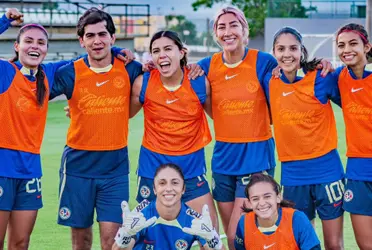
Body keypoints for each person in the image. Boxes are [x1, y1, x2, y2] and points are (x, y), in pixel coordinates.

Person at [50, 8, 142, 250]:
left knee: (112, 241)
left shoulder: (131, 68)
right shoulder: (68, 73)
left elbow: (163, 71)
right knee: (81, 241)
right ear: (81, 41)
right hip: (78, 166)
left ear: (113, 38)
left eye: (102, 34)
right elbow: (32, 92)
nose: (97, 41)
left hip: (115, 167)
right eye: (90, 36)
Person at [197, 6, 277, 249]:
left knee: (237, 234)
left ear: (245, 31)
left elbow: (280, 99)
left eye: (234, 25)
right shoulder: (205, 66)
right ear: (215, 33)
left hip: (255, 156)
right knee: (235, 240)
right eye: (222, 26)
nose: (228, 31)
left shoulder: (263, 62)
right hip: (223, 159)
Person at [129, 30, 219, 230]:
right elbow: (121, 115)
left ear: (182, 52)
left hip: (191, 168)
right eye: (156, 51)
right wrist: (80, 110)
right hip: (153, 167)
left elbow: (221, 117)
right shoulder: (142, 83)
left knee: (210, 231)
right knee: (141, 232)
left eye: (168, 49)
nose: (162, 55)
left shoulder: (198, 83)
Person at [265, 27, 344, 249]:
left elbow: (352, 100)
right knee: (299, 243)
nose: (287, 54)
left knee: (333, 244)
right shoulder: (270, 81)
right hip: (293, 176)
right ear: (274, 52)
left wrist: (327, 65)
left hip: (327, 171)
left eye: (293, 48)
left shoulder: (321, 78)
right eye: (281, 49)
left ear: (302, 52)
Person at [112, 163, 223, 250]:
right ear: (154, 189)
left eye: (175, 183)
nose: (168, 188)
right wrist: (125, 235)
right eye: (162, 183)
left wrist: (212, 238)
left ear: (183, 189)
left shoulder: (194, 220)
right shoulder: (141, 216)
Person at [332, 23, 372, 250]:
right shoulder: (338, 78)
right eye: (341, 45)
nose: (346, 49)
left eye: (353, 43)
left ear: (367, 47)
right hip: (357, 170)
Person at [234, 173, 321, 250]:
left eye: (267, 196)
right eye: (255, 199)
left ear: (278, 197)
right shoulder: (244, 223)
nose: (262, 203)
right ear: (249, 203)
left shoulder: (297, 220)